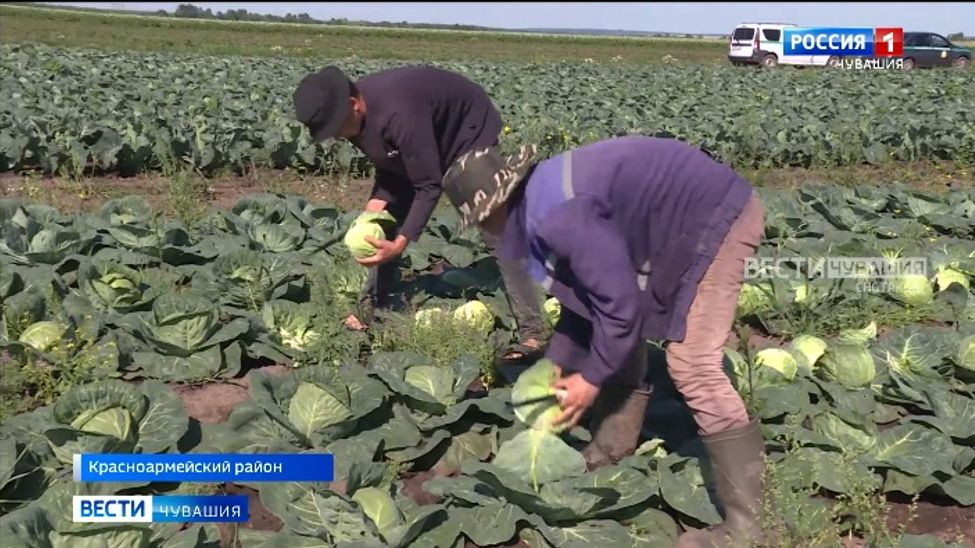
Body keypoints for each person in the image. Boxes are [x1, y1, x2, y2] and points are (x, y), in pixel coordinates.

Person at [440, 135, 767, 548]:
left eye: (483, 220)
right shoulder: (539, 205)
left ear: (497, 206)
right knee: (617, 334)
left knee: (693, 364)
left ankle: (751, 527)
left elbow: (619, 308)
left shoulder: (558, 217)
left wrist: (590, 378)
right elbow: (590, 305)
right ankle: (612, 447)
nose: (486, 232)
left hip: (717, 216)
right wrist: (558, 364)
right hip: (676, 226)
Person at [292, 65, 546, 363]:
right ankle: (371, 308)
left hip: (466, 128)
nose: (335, 137)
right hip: (423, 133)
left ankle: (534, 331)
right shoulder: (356, 118)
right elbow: (391, 165)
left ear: (353, 104)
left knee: (495, 228)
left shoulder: (398, 114)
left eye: (335, 127)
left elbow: (428, 185)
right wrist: (376, 207)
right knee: (384, 221)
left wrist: (402, 241)